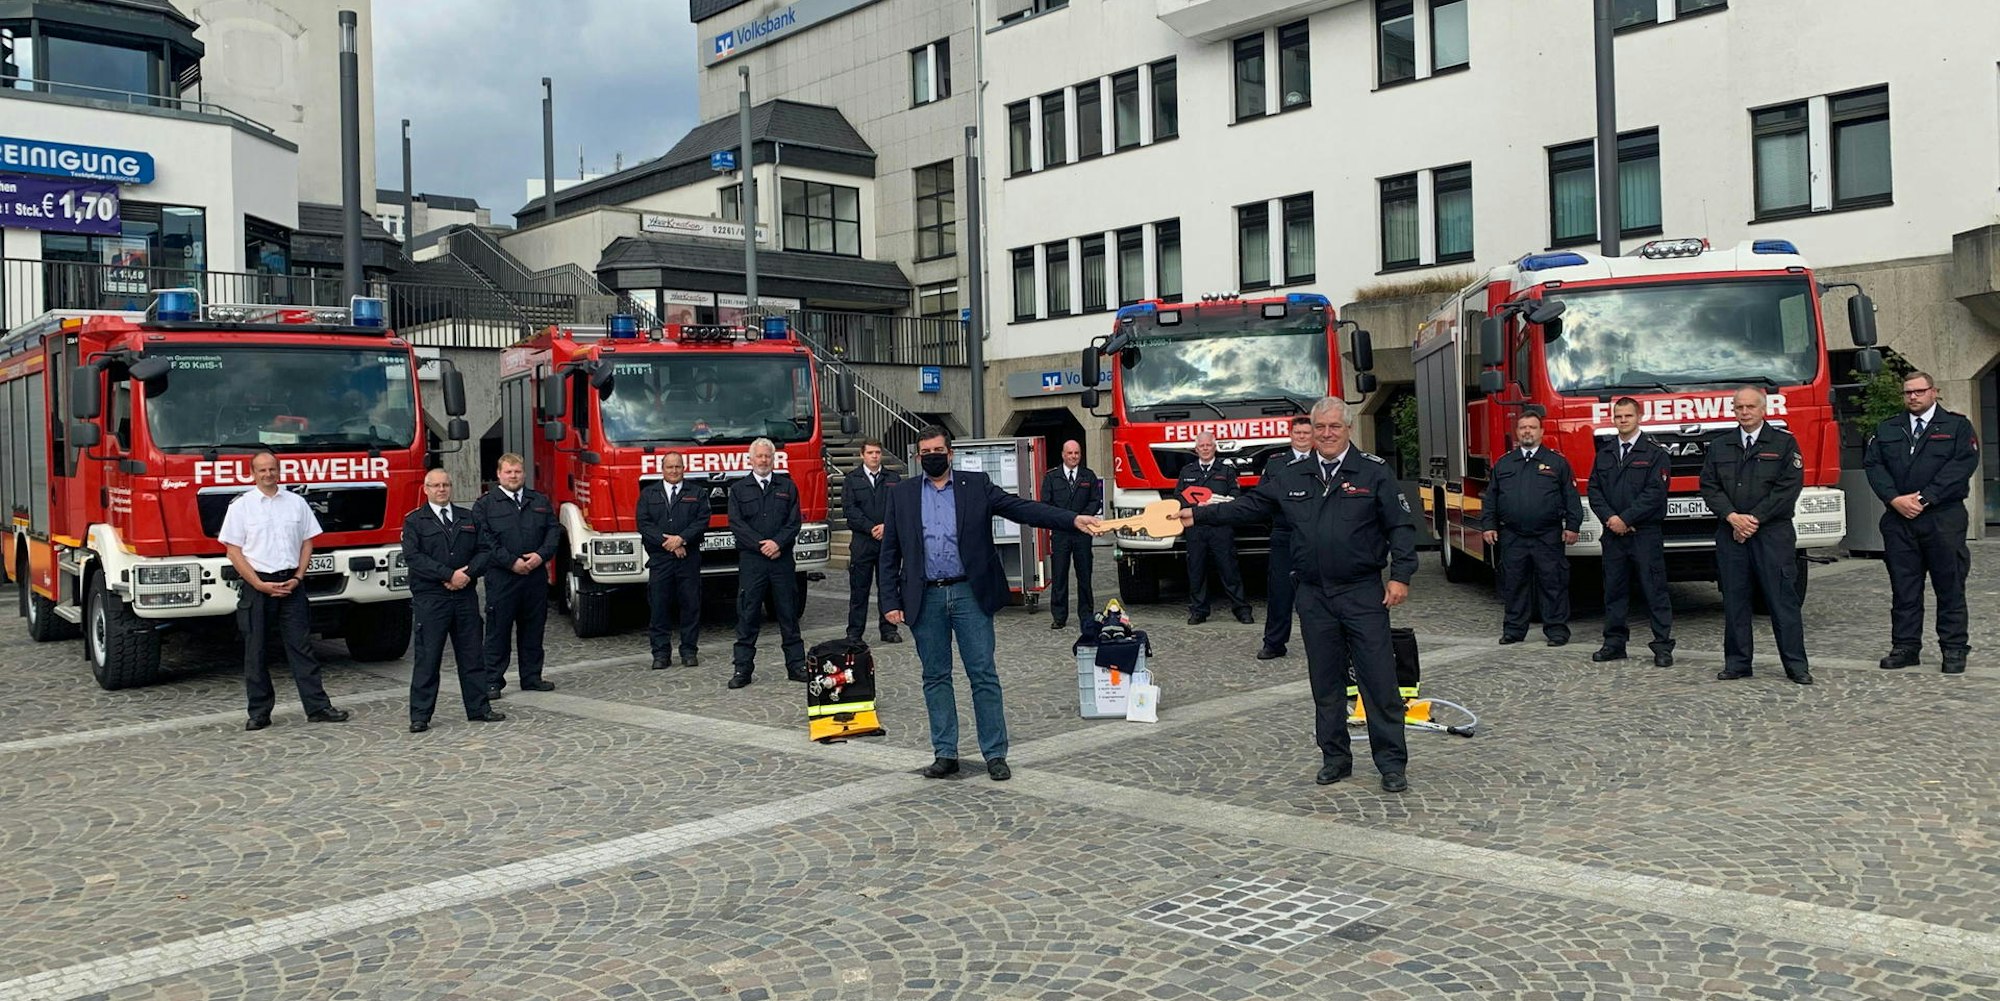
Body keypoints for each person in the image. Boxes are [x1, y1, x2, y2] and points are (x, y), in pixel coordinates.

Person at [1175, 398, 1417, 793]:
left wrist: (1401, 575)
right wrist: (1197, 514)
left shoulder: (1373, 472)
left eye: (1333, 427)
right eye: (1319, 427)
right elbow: (1249, 506)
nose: (1325, 434)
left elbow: (1401, 527)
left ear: (1348, 429)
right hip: (1314, 595)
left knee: (1379, 682)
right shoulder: (1293, 474)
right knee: (1325, 683)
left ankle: (1391, 764)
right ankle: (1335, 758)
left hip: (1361, 593)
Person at [881, 426, 1102, 781]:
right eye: (926, 452)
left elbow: (1023, 509)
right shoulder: (903, 494)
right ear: (918, 456)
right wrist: (889, 600)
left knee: (983, 674)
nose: (932, 456)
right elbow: (890, 550)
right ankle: (945, 752)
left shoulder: (976, 485)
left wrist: (1072, 520)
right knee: (935, 677)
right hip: (926, 596)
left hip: (970, 593)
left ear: (950, 453)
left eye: (938, 449)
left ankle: (995, 753)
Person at [219, 450, 348, 730]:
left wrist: (299, 577)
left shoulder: (296, 503)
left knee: (302, 648)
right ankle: (259, 712)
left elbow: (307, 543)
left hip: (292, 584)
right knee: (256, 651)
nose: (268, 474)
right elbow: (233, 551)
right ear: (252, 474)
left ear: (279, 471)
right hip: (258, 586)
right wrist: (258, 584)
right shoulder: (241, 507)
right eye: (262, 470)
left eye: (272, 469)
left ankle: (317, 707)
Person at [1864, 371, 1979, 674]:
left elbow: (1962, 466)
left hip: (1943, 518)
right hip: (1899, 519)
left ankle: (1953, 649)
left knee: (1950, 585)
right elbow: (1874, 466)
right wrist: (1894, 499)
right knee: (1904, 588)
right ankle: (1905, 647)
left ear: (1933, 392)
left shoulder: (1956, 426)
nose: (1912, 397)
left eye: (1919, 391)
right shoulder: (1888, 428)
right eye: (1907, 393)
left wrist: (1926, 498)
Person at [1699, 386, 1812, 685]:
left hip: (1772, 534)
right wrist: (1733, 518)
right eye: (1739, 408)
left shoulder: (1783, 443)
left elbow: (1788, 488)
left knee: (1781, 600)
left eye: (1751, 407)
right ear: (1733, 410)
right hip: (1731, 532)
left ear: (1764, 409)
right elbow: (1710, 487)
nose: (1745, 412)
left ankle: (1796, 665)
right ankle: (1737, 663)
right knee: (1735, 601)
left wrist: (1754, 519)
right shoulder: (1720, 445)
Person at [400, 469, 506, 732]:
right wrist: (448, 575)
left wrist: (467, 574)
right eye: (435, 486)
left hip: (464, 596)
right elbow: (414, 558)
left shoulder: (467, 518)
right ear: (426, 489)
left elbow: (484, 551)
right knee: (428, 657)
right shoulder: (415, 522)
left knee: (472, 655)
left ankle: (479, 708)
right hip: (432, 598)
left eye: (446, 484)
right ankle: (420, 715)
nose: (441, 489)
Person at [1481, 409, 1582, 646]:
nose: (1527, 431)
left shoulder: (1557, 463)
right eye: (1523, 427)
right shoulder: (1504, 463)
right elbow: (1491, 499)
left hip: (1547, 535)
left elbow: (1571, 497)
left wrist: (1573, 525)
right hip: (1513, 535)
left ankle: (1556, 631)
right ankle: (1514, 631)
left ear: (1541, 432)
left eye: (1532, 427)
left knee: (1553, 583)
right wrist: (1488, 525)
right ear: (1517, 433)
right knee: (1514, 584)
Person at [1586, 397, 1675, 666]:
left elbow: (1655, 494)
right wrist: (1611, 519)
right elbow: (1594, 490)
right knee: (1614, 591)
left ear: (1639, 417)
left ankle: (1662, 646)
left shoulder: (1654, 453)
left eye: (1628, 416)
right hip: (1614, 535)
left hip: (1644, 534)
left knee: (1654, 590)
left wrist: (1626, 518)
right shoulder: (1606, 452)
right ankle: (1614, 643)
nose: (1623, 420)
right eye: (1618, 416)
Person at [476, 453, 560, 696]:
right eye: (508, 472)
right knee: (497, 631)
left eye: (517, 471)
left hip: (534, 577)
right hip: (502, 578)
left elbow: (553, 533)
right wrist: (511, 562)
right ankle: (492, 681)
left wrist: (540, 557)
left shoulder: (539, 501)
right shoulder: (486, 504)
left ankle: (532, 677)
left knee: (533, 629)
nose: (513, 476)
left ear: (524, 474)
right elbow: (485, 540)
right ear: (499, 474)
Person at [728, 437, 807, 688]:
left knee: (788, 613)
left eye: (767, 456)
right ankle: (742, 669)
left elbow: (793, 522)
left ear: (774, 459)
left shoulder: (787, 486)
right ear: (750, 459)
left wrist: (777, 543)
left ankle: (796, 665)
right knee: (748, 614)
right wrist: (760, 544)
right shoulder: (739, 489)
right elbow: (736, 524)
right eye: (759, 456)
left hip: (781, 560)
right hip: (753, 562)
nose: (763, 460)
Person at [637, 451, 709, 671]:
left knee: (690, 606)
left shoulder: (697, 493)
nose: (674, 471)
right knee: (659, 608)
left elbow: (702, 520)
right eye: (670, 467)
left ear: (683, 468)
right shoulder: (649, 495)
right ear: (662, 469)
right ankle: (660, 654)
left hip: (688, 559)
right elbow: (643, 523)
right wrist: (667, 543)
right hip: (660, 560)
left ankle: (689, 651)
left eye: (678, 467)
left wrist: (682, 539)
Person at [1178, 431, 1253, 626]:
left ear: (1215, 447)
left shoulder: (1226, 471)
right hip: (1196, 527)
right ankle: (1198, 611)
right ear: (1196, 449)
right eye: (1201, 446)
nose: (1205, 449)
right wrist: (1194, 507)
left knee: (1229, 569)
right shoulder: (1187, 472)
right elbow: (1178, 497)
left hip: (1221, 527)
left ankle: (1241, 609)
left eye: (1208, 445)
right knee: (1196, 571)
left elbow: (1235, 495)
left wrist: (1217, 503)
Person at [1257, 416, 1315, 659]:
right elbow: (1262, 499)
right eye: (1298, 433)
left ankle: (1322, 643)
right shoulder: (1275, 463)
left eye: (1306, 433)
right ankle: (1274, 643)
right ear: (1290, 435)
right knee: (1280, 591)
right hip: (1284, 533)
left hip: (1314, 535)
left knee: (1316, 592)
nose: (1302, 437)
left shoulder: (1323, 461)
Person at [843, 440, 903, 644]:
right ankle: (854, 632)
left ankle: (888, 629)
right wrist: (870, 528)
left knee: (888, 586)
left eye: (877, 452)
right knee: (859, 590)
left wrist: (887, 526)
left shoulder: (893, 478)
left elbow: (899, 507)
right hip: (862, 542)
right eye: (870, 452)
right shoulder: (852, 479)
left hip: (888, 542)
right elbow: (850, 511)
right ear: (862, 455)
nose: (874, 456)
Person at [1039, 439, 1102, 630]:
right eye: (1070, 453)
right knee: (1059, 576)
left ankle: (1086, 615)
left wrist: (1081, 517)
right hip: (1061, 533)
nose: (1074, 456)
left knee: (1084, 575)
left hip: (1083, 533)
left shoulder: (1088, 476)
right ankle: (1059, 616)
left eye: (1077, 453)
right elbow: (1046, 504)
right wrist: (1065, 519)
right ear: (1063, 455)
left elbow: (1095, 501)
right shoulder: (1052, 477)